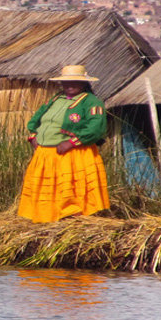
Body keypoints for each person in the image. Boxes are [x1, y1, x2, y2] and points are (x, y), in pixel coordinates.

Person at [18, 65, 110, 223]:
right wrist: (33, 136)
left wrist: (72, 142)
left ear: (84, 83)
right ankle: (48, 216)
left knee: (70, 190)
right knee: (48, 190)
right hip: (46, 154)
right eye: (66, 82)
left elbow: (96, 128)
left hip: (71, 154)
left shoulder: (91, 102)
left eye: (74, 82)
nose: (70, 85)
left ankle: (73, 220)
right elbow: (36, 119)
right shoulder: (56, 99)